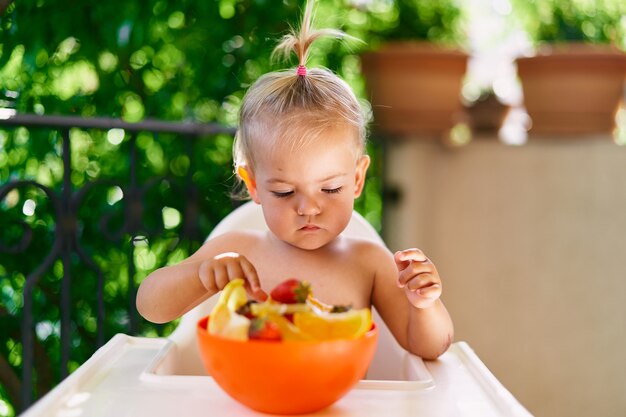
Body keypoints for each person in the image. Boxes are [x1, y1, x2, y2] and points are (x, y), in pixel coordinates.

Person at [136, 0, 453, 360]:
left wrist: (424, 304)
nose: (308, 208)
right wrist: (202, 276)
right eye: (285, 192)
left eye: (331, 188)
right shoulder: (239, 250)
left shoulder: (368, 263)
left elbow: (429, 347)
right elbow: (150, 306)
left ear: (357, 179)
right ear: (253, 184)